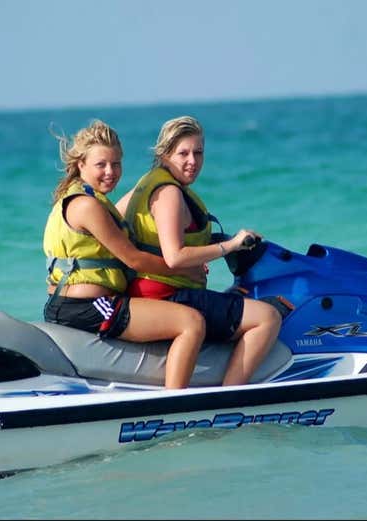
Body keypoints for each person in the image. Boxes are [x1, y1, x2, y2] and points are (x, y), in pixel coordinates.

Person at [116, 115, 282, 386]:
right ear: (165, 153)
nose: (192, 161)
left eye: (198, 152)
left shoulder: (146, 184)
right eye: (183, 153)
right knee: (267, 316)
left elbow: (117, 221)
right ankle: (231, 397)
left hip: (148, 291)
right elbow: (174, 256)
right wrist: (231, 245)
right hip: (169, 295)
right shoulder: (169, 193)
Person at [42, 119, 207, 389]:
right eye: (101, 164)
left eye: (116, 164)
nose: (111, 172)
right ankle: (174, 406)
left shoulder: (92, 199)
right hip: (85, 307)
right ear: (80, 165)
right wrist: (185, 267)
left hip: (80, 303)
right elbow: (134, 259)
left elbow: (130, 211)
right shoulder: (86, 206)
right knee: (191, 322)